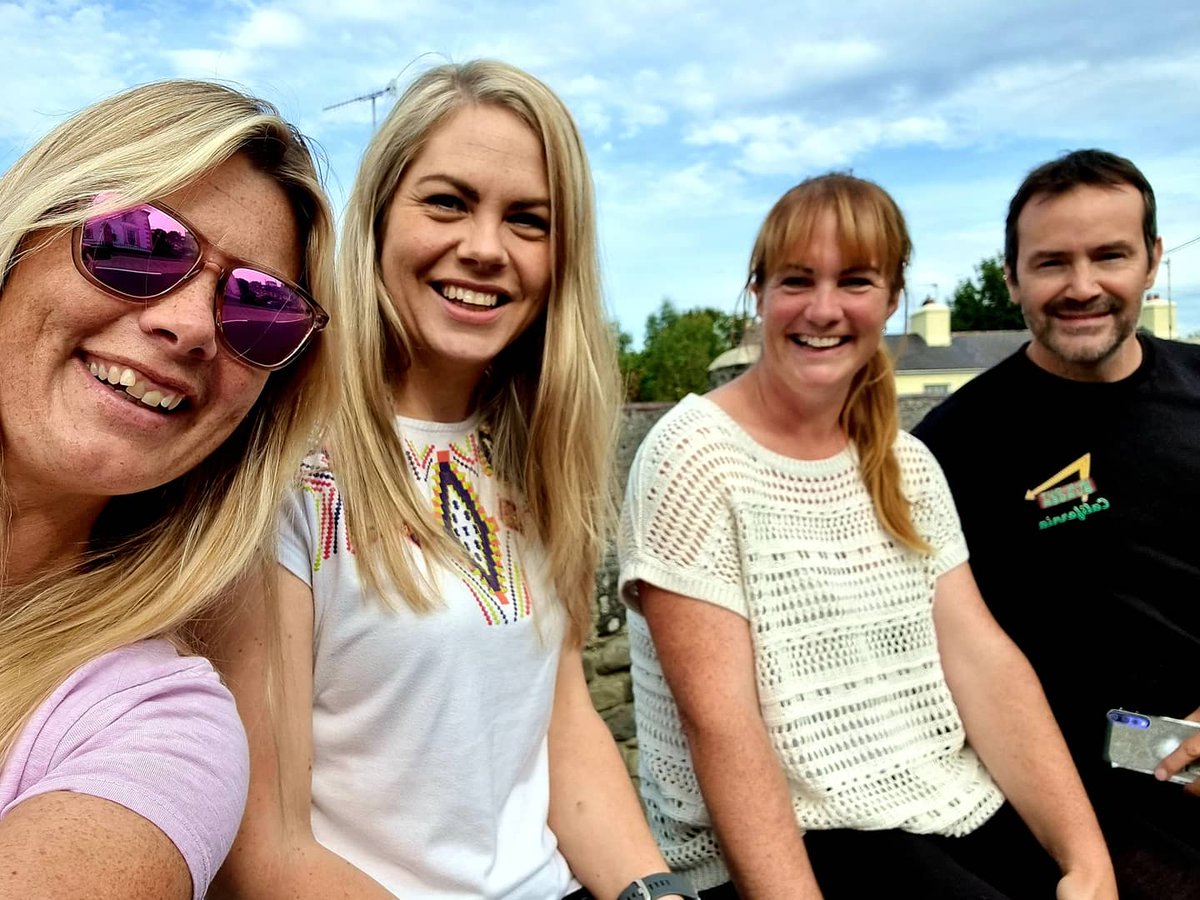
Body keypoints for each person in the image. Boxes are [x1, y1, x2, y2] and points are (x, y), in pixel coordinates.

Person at [210, 60, 695, 900]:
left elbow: (560, 726)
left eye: (529, 220)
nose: (485, 248)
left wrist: (653, 893)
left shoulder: (537, 457)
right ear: (378, 217)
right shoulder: (284, 467)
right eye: (447, 202)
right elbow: (267, 852)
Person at [619, 173, 1118, 899]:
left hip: (940, 809)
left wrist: (1086, 859)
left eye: (855, 280)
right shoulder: (695, 454)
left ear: (892, 299)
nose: (823, 309)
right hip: (798, 844)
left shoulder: (907, 464)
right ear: (758, 294)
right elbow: (721, 724)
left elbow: (982, 661)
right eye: (797, 280)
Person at [0, 80, 336, 900]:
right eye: (138, 243)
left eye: (260, 308)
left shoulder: (160, 723)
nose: (189, 326)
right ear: (22, 238)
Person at [913, 149, 1200, 896]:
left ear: (1153, 260)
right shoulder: (950, 448)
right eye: (1051, 263)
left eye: (1110, 255)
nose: (1082, 287)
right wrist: (1172, 750)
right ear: (1011, 278)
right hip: (1095, 803)